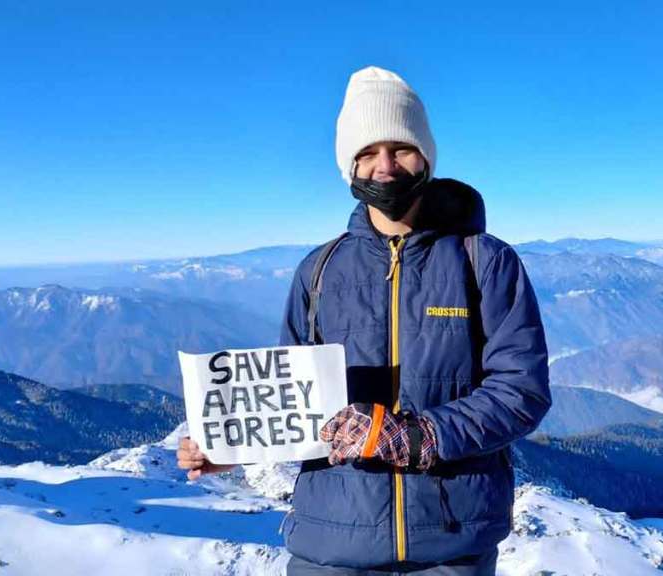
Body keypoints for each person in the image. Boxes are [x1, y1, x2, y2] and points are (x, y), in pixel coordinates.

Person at [178, 66, 551, 575]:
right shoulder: (320, 270)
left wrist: (420, 436)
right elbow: (295, 398)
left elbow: (521, 391)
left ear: (426, 156)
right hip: (332, 545)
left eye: (400, 147)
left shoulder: (483, 261)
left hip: (449, 547)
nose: (385, 166)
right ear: (348, 166)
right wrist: (234, 448)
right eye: (367, 152)